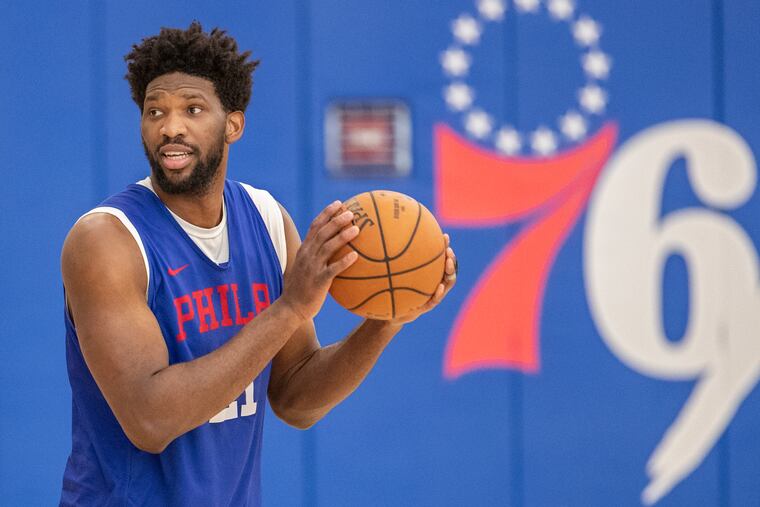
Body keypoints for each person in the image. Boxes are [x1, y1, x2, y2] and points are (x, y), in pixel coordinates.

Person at [59, 22, 456, 506]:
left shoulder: (267, 221)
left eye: (193, 109)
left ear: (233, 124)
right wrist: (289, 309)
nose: (170, 127)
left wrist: (385, 323)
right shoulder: (107, 240)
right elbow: (150, 420)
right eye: (154, 111)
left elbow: (294, 399)